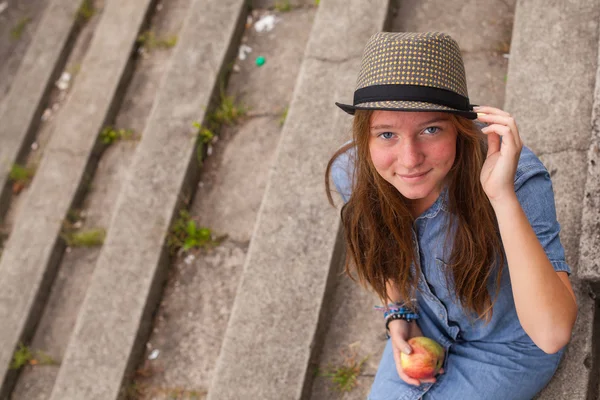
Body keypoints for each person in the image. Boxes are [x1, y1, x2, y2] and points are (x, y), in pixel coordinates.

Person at [325, 32, 578, 400]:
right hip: (425, 324)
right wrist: (398, 314)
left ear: (460, 128)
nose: (410, 159)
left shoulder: (518, 178)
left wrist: (501, 196)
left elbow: (552, 333)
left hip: (505, 348)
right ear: (366, 136)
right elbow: (386, 251)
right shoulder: (355, 171)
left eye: (431, 129)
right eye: (387, 134)